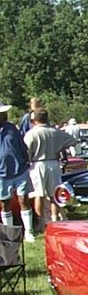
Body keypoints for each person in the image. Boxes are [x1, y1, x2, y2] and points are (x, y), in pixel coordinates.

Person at [25, 109, 77, 226]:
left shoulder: (31, 133)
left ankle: (41, 221)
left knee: (39, 194)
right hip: (53, 163)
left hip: (37, 163)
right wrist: (59, 147)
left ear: (35, 120)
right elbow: (72, 141)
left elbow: (26, 151)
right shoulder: (55, 132)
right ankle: (54, 219)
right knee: (54, 193)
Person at [0, 101, 33, 238]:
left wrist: (26, 160)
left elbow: (22, 146)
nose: (5, 115)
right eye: (2, 113)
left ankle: (29, 232)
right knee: (5, 203)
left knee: (23, 199)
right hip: (1, 173)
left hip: (19, 169)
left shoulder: (11, 128)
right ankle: (9, 233)